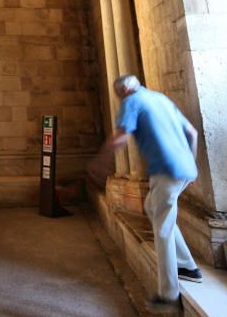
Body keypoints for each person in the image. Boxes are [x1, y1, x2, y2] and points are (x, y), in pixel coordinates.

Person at [88, 74, 202, 313]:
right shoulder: (160, 99)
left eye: (118, 95)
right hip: (184, 167)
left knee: (162, 228)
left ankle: (168, 294)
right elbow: (192, 132)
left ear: (123, 91)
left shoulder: (132, 101)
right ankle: (187, 266)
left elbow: (120, 136)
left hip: (166, 168)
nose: (119, 100)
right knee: (154, 208)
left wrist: (101, 162)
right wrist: (191, 166)